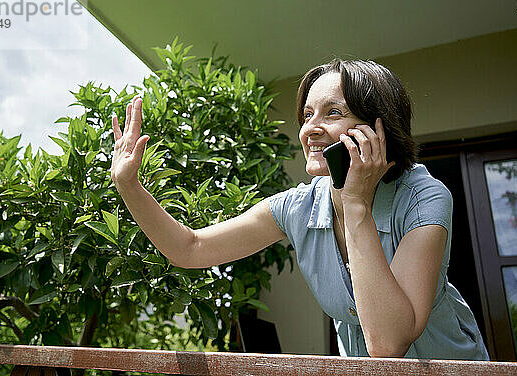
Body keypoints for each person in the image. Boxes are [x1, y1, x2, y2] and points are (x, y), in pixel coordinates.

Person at [110, 59, 489, 360]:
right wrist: (129, 185)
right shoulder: (298, 207)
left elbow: (389, 344)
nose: (311, 129)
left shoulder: (424, 198)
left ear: (379, 129)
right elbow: (188, 249)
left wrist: (355, 203)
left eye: (333, 113)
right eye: (307, 115)